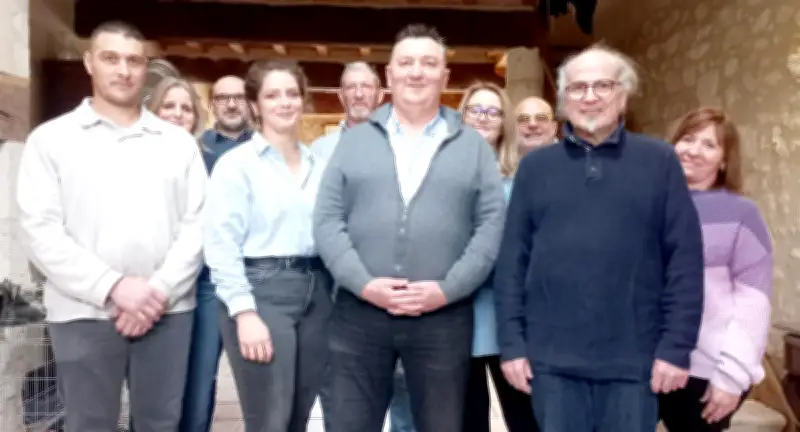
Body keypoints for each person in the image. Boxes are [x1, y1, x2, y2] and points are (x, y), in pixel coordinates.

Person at [494, 44, 705, 432]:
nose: (589, 97)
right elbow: (512, 263)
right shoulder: (535, 169)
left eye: (602, 86)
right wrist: (511, 344)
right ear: (563, 100)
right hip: (551, 365)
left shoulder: (659, 162)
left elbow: (685, 262)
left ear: (622, 94)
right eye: (577, 88)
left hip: (633, 365)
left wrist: (676, 348)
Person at [314, 24, 506, 432]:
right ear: (390, 75)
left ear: (445, 76)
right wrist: (364, 284)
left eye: (428, 63)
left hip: (442, 317)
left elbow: (490, 228)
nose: (416, 72)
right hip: (359, 313)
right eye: (406, 62)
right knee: (349, 423)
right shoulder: (353, 141)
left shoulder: (472, 146)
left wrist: (447, 290)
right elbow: (327, 220)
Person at [16, 21, 206, 432]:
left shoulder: (178, 144)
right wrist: (114, 287)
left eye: (134, 60)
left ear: (146, 68)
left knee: (160, 423)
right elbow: (40, 231)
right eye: (111, 58)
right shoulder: (51, 141)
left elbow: (198, 227)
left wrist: (157, 292)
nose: (123, 70)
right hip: (82, 311)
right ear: (89, 63)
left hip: (167, 312)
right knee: (89, 423)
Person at [204, 59, 332, 432]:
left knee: (298, 418)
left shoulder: (318, 164)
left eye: (292, 93)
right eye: (273, 94)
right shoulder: (237, 165)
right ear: (256, 106)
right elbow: (220, 244)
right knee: (269, 420)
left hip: (317, 291)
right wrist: (244, 313)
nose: (285, 102)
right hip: (262, 290)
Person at [658, 107, 773, 432]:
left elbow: (754, 304)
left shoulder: (741, 214)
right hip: (649, 362)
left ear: (724, 160)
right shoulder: (652, 205)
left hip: (707, 369)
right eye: (688, 139)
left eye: (709, 144)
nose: (693, 150)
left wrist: (732, 377)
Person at [458, 81, 539, 432]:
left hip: (512, 317)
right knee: (468, 420)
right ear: (462, 116)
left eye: (493, 111)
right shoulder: (442, 175)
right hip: (458, 316)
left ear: (504, 121)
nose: (483, 117)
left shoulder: (523, 177)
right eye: (475, 109)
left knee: (524, 418)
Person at [179, 74, 253, 432]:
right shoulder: (196, 149)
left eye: (239, 96)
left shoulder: (266, 148)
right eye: (223, 97)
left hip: (259, 276)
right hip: (207, 279)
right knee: (200, 374)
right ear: (213, 104)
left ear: (250, 102)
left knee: (263, 380)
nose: (232, 104)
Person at [310, 61, 384, 161]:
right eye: (351, 87)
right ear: (341, 96)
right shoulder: (321, 150)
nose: (358, 94)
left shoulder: (399, 148)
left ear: (380, 95)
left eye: (366, 86)